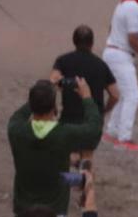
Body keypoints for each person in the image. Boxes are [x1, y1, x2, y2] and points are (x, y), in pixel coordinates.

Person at [7, 79, 102, 217]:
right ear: (54, 107)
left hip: (23, 212)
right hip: (54, 214)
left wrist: (41, 94)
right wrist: (87, 97)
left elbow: (19, 115)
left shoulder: (16, 130)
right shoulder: (63, 134)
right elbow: (94, 128)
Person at [50, 25, 120, 165]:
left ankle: (72, 168)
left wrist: (67, 86)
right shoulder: (101, 65)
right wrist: (104, 111)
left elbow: (53, 80)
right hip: (91, 122)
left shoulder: (63, 60)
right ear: (92, 43)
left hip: (69, 119)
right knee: (87, 157)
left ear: (74, 41)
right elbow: (115, 95)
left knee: (67, 156)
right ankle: (86, 183)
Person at [103, 0, 138, 150]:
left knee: (123, 95)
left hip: (112, 51)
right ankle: (124, 138)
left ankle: (111, 132)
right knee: (133, 96)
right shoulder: (133, 7)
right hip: (121, 55)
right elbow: (133, 38)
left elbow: (111, 28)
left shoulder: (123, 3)